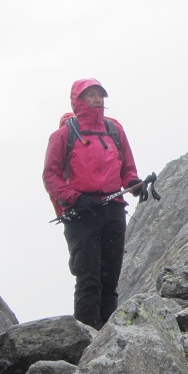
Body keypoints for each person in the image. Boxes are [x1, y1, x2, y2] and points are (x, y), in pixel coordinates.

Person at [43, 78, 141, 329]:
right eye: (91, 95)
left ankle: (108, 338)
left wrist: (134, 183)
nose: (98, 100)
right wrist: (77, 198)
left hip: (113, 209)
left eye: (100, 95)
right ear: (78, 100)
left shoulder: (115, 131)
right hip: (81, 213)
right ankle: (87, 342)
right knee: (88, 279)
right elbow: (50, 177)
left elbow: (127, 168)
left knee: (110, 279)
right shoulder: (63, 135)